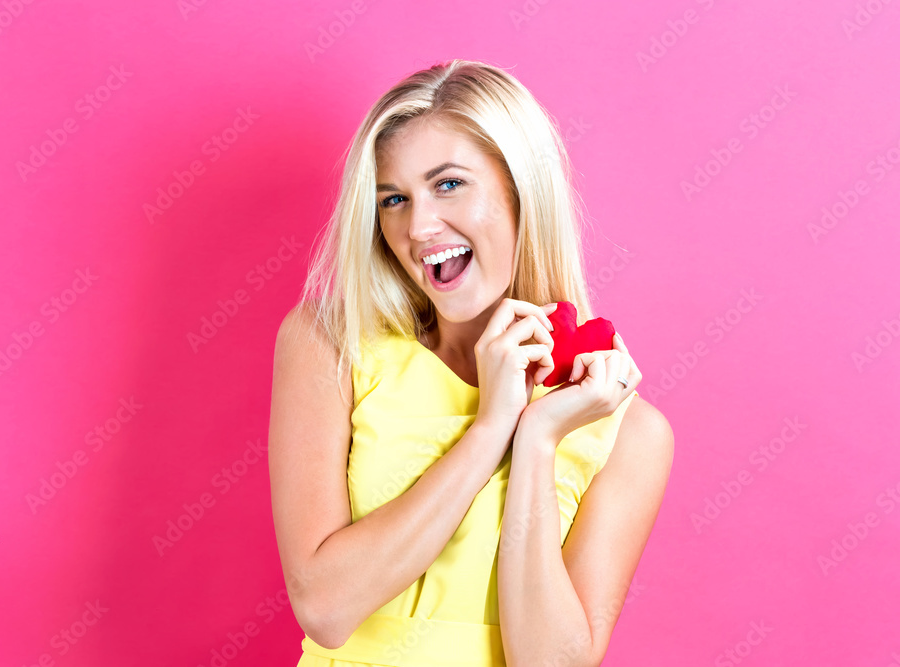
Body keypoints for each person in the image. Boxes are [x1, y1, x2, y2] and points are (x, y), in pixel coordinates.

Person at [268, 59, 674, 667]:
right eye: (394, 199)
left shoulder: (628, 432)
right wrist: (489, 428)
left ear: (520, 189)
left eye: (449, 184)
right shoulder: (329, 342)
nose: (419, 226)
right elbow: (325, 608)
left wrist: (535, 437)